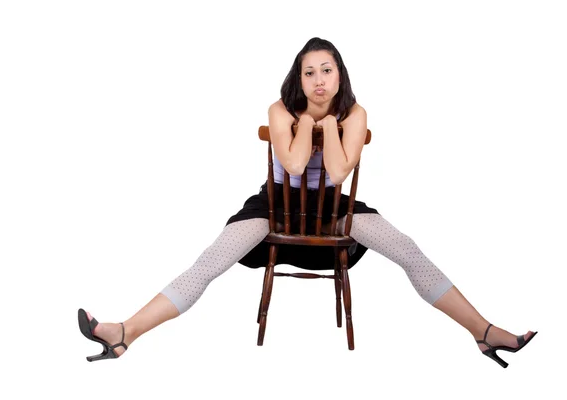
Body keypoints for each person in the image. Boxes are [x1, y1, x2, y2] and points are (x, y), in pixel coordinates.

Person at [78, 37, 537, 367]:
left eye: (327, 70)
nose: (319, 80)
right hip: (275, 207)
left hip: (334, 210)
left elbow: (337, 174)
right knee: (210, 261)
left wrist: (332, 127)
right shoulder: (280, 109)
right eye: (309, 71)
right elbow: (295, 168)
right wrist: (302, 121)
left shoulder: (355, 114)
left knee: (407, 248)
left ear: (341, 75)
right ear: (298, 78)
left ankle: (482, 331)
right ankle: (125, 333)